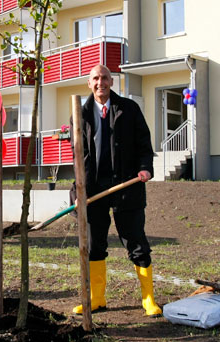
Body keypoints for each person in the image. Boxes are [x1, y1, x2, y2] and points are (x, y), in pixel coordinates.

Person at [70, 65, 161, 317]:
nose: (101, 82)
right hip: (94, 189)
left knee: (136, 243)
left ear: (112, 81)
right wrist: (79, 190)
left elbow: (144, 143)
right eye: (96, 78)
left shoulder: (129, 109)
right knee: (94, 245)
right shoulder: (80, 113)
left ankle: (149, 300)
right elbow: (79, 157)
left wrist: (145, 168)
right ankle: (96, 299)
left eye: (105, 78)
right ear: (89, 83)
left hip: (126, 185)